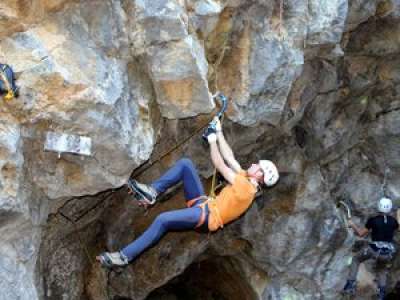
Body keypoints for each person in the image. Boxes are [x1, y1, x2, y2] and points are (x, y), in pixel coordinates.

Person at [96, 117, 279, 267]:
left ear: (260, 176)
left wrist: (212, 140)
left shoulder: (246, 189)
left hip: (206, 217)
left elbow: (220, 165)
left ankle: (124, 257)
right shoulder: (247, 180)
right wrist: (219, 131)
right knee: (186, 165)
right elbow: (230, 157)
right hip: (204, 205)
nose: (254, 164)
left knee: (163, 220)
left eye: (258, 166)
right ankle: (151, 192)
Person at [342, 197, 400, 300]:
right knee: (381, 269)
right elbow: (399, 227)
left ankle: (350, 285)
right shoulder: (393, 222)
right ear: (390, 208)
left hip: (373, 250)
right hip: (387, 254)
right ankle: (381, 294)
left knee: (356, 259)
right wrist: (398, 213)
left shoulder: (373, 220)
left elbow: (360, 234)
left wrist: (352, 225)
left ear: (379, 206)